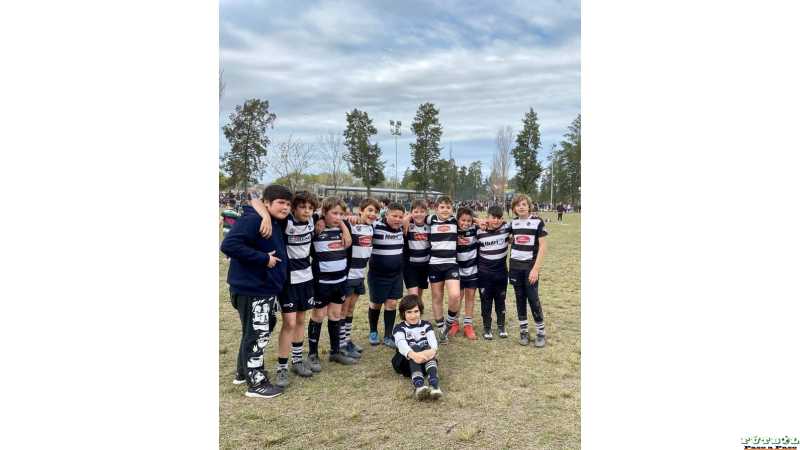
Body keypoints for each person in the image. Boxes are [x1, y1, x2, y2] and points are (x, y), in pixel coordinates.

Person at [220, 184, 291, 398]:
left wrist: (265, 214)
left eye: (288, 203)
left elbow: (254, 200)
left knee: (260, 327)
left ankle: (243, 372)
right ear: (267, 203)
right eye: (281, 202)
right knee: (258, 332)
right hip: (252, 288)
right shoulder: (254, 220)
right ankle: (256, 383)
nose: (286, 207)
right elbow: (229, 245)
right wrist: (264, 259)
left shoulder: (274, 220)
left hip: (264, 287)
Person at [308, 197, 357, 367]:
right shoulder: (316, 225)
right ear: (324, 213)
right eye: (334, 213)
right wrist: (320, 219)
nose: (338, 217)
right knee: (319, 315)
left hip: (340, 280)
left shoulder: (345, 227)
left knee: (336, 315)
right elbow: (311, 215)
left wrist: (343, 224)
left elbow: (350, 238)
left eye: (341, 214)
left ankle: (335, 352)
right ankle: (312, 354)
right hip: (321, 281)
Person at [406, 195, 460, 343]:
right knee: (437, 297)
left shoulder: (455, 221)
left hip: (451, 264)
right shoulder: (431, 220)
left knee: (455, 295)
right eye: (442, 207)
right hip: (434, 265)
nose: (445, 210)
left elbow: (469, 218)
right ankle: (442, 330)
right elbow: (415, 218)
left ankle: (448, 325)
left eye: (448, 207)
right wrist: (408, 216)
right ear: (436, 209)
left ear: (452, 209)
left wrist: (478, 220)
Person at [340, 197, 381, 357]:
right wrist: (347, 219)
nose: (373, 214)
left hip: (360, 274)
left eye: (376, 212)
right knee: (343, 310)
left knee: (351, 309)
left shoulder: (372, 227)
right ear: (361, 211)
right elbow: (335, 218)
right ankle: (340, 344)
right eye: (369, 210)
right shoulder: (352, 224)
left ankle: (347, 340)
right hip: (348, 275)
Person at [508, 194, 548, 347]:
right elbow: (508, 237)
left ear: (529, 206)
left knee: (533, 298)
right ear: (514, 209)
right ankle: (523, 331)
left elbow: (543, 246)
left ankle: (541, 332)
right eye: (518, 205)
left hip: (530, 268)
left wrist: (536, 269)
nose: (521, 207)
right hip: (515, 267)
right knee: (519, 298)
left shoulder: (537, 222)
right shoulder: (513, 223)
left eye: (524, 204)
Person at [366, 202, 406, 347]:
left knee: (392, 303)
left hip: (396, 274)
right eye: (394, 216)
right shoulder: (375, 226)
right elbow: (363, 221)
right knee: (376, 304)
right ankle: (373, 331)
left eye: (400, 216)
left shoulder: (402, 227)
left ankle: (389, 335)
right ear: (386, 214)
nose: (397, 219)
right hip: (378, 274)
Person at [390, 294, 443, 400]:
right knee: (415, 346)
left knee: (427, 348)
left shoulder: (427, 325)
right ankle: (419, 386)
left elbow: (433, 345)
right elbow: (402, 345)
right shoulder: (399, 328)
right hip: (404, 364)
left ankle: (434, 385)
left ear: (420, 311)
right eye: (409, 312)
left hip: (424, 362)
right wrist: (414, 355)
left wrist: (430, 352)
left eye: (416, 311)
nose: (413, 316)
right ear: (403, 313)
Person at [476, 206, 511, 340]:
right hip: (484, 274)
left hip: (501, 273)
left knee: (500, 300)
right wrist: (477, 221)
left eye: (499, 218)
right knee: (486, 301)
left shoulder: (506, 229)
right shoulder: (478, 231)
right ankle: (487, 327)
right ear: (487, 217)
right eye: (493, 217)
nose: (496, 220)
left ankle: (501, 325)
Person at [448, 207, 478, 340]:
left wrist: (476, 220)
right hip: (456, 269)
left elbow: (486, 223)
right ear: (457, 219)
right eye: (463, 220)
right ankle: (454, 323)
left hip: (472, 269)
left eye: (469, 221)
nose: (465, 223)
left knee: (470, 297)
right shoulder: (452, 228)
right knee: (457, 297)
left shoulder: (475, 229)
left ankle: (468, 325)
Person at [402, 199, 431, 301]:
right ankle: (409, 314)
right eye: (416, 212)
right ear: (411, 213)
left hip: (425, 265)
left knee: (419, 293)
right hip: (410, 266)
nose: (419, 214)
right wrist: (408, 217)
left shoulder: (430, 226)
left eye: (422, 212)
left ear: (426, 213)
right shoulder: (407, 225)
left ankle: (417, 313)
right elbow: (400, 222)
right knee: (413, 295)